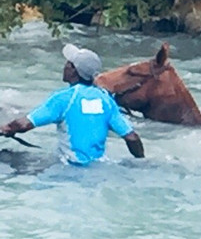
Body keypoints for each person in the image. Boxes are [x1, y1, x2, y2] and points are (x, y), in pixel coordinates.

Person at [0, 43, 144, 164]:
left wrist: (6, 128)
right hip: (98, 167)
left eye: (68, 63)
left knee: (6, 157)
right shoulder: (106, 100)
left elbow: (24, 124)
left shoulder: (63, 99)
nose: (65, 66)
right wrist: (140, 162)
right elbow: (132, 138)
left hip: (68, 167)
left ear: (75, 71)